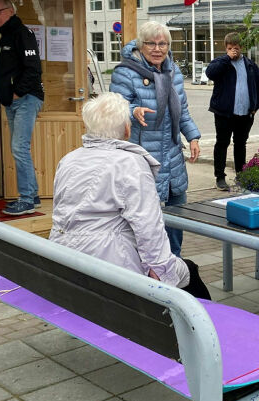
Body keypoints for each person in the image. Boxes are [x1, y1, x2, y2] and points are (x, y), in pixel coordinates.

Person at [50, 92, 210, 299]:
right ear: (127, 129)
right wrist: (159, 267)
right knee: (189, 273)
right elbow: (147, 224)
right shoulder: (130, 164)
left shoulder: (68, 160)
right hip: (110, 264)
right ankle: (207, 329)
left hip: (62, 256)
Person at [110, 21, 201, 257]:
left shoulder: (173, 72)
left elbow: (181, 111)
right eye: (151, 43)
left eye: (163, 44)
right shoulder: (125, 72)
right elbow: (115, 107)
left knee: (176, 216)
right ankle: (145, 268)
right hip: (142, 159)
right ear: (141, 44)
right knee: (143, 220)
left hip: (171, 157)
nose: (157, 48)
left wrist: (192, 137)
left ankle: (175, 262)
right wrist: (133, 111)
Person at [0, 0, 44, 216]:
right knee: (19, 148)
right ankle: (33, 195)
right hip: (14, 101)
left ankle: (27, 199)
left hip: (25, 99)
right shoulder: (5, 36)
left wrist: (18, 93)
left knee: (19, 148)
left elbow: (33, 69)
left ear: (10, 10)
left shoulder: (22, 34)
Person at [205, 32, 259, 191]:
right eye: (230, 48)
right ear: (226, 48)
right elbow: (210, 73)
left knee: (240, 144)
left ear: (241, 48)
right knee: (222, 143)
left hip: (245, 114)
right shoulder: (221, 62)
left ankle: (240, 174)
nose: (233, 51)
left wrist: (256, 106)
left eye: (236, 48)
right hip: (224, 113)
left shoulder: (250, 65)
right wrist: (227, 58)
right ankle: (220, 177)